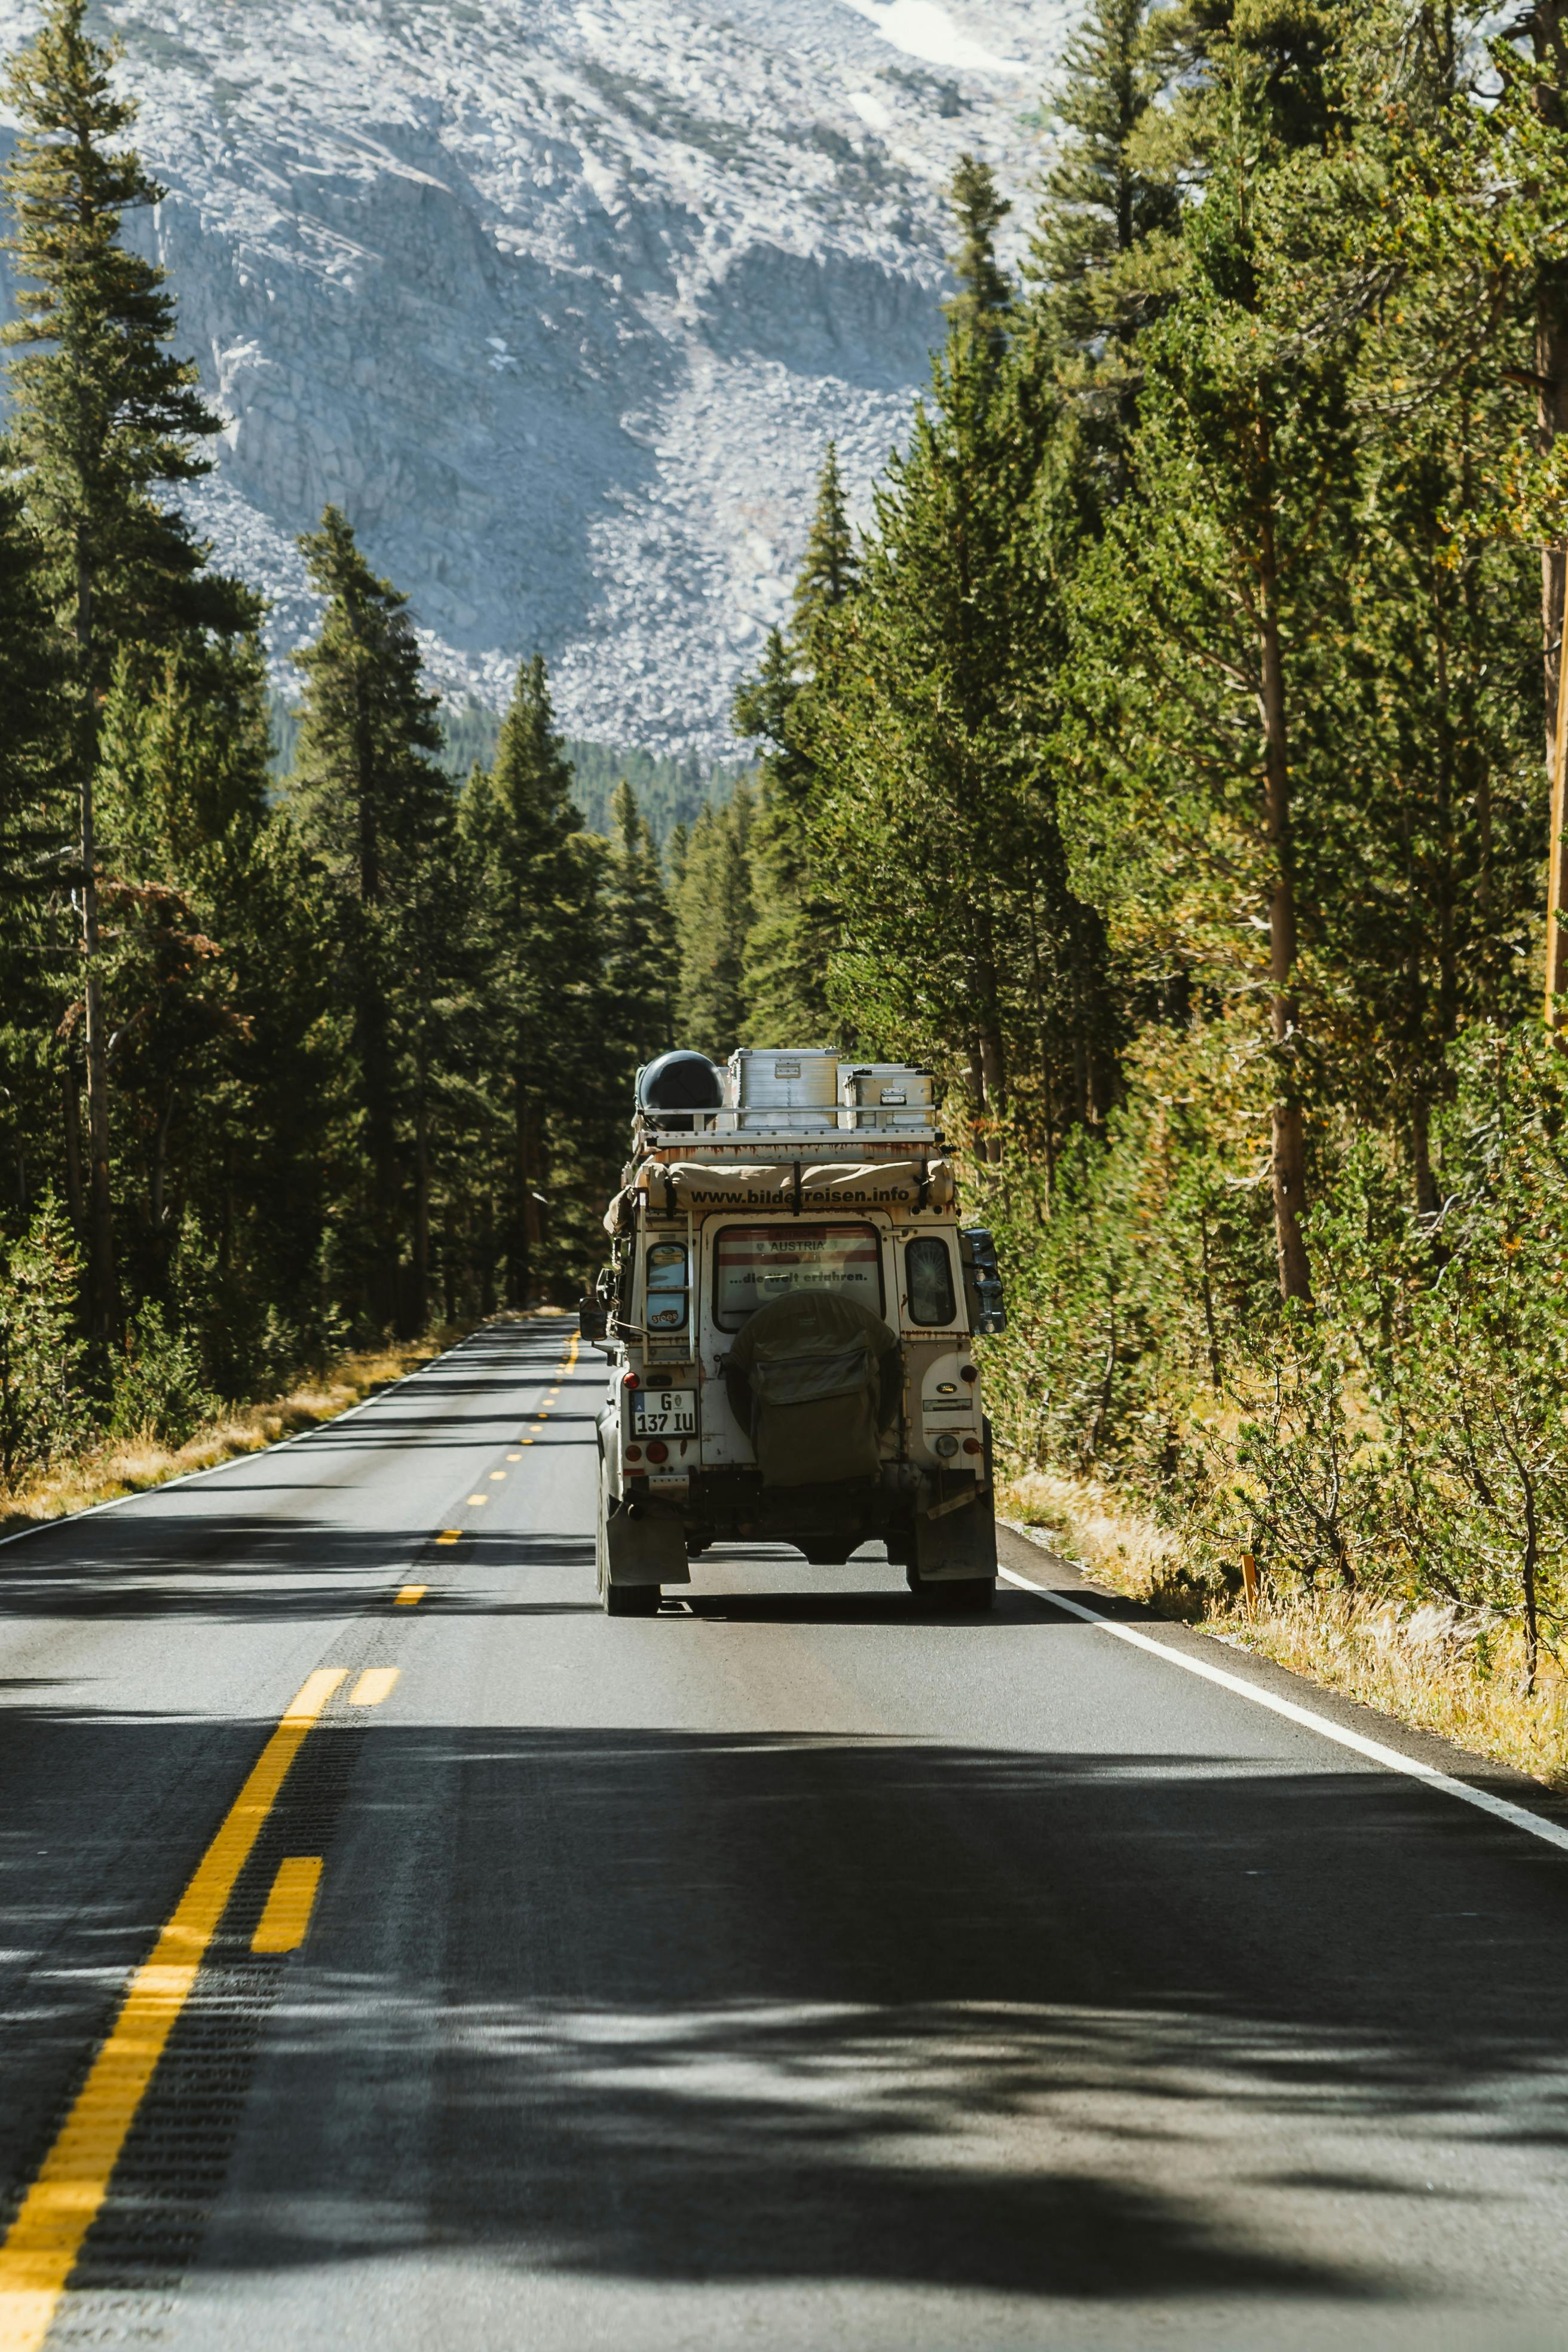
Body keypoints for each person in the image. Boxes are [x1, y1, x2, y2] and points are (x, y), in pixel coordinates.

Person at [724, 1289, 901, 1487]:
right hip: (865, 1455)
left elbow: (736, 1372)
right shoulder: (855, 1319)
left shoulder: (761, 1328)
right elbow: (890, 1355)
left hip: (774, 1462)